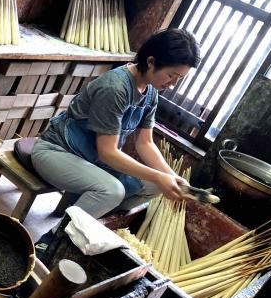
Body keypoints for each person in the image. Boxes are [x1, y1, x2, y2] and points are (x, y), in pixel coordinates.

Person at [31, 28, 201, 221]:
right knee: (112, 191)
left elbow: (145, 143)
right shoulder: (115, 88)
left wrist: (173, 179)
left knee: (156, 186)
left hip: (92, 161)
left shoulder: (151, 93)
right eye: (172, 75)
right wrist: (158, 176)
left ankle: (87, 225)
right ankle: (55, 239)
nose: (172, 84)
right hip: (57, 152)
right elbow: (108, 152)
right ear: (151, 62)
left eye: (179, 79)